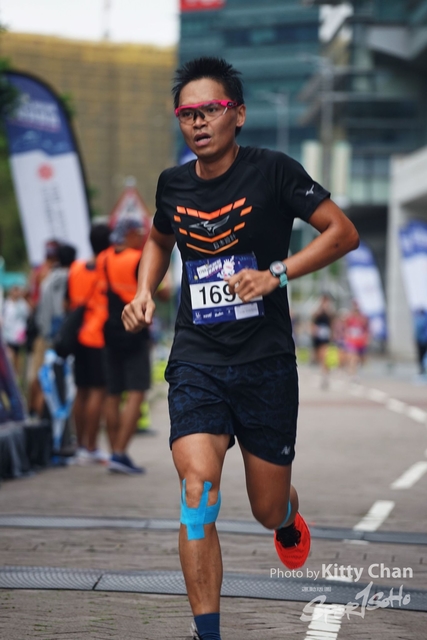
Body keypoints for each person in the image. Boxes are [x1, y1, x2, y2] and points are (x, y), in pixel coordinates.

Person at [122, 57, 359, 640]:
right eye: (188, 113)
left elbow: (342, 232)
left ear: (239, 114)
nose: (199, 122)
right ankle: (207, 632)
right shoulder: (173, 184)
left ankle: (287, 518)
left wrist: (277, 273)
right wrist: (143, 290)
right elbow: (159, 239)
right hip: (197, 358)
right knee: (197, 489)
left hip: (265, 362)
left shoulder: (274, 171)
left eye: (211, 109)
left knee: (265, 507)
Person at [100, 216, 151, 474]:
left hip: (109, 329)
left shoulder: (105, 258)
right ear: (129, 233)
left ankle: (113, 453)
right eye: (138, 232)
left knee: (113, 392)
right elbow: (159, 290)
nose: (141, 237)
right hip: (134, 327)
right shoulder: (138, 258)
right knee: (136, 391)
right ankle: (120, 452)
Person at [67, 223, 111, 463]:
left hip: (77, 335)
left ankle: (80, 444)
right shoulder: (106, 266)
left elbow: (68, 301)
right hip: (97, 335)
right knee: (97, 391)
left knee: (81, 390)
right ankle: (91, 446)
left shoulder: (76, 268)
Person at [1, 286, 30, 376]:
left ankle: (16, 376)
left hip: (19, 336)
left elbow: (27, 317)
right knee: (10, 357)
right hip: (7, 335)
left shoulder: (23, 305)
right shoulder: (6, 304)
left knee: (18, 358)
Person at [310, 293, 335, 387]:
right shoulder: (317, 311)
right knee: (319, 358)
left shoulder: (329, 312)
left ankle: (325, 375)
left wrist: (332, 335)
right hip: (318, 338)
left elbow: (332, 323)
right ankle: (324, 374)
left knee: (324, 356)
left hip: (325, 338)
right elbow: (313, 320)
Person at [343, 299, 370, 378]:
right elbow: (345, 328)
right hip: (352, 342)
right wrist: (346, 337)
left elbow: (366, 329)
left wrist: (367, 338)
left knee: (362, 360)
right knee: (353, 358)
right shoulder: (349, 318)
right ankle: (353, 375)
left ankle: (354, 370)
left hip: (361, 342)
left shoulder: (363, 318)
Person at [413, 308, 427, 376]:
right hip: (421, 340)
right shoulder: (419, 319)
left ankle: (422, 369)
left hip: (422, 340)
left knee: (421, 356)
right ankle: (422, 369)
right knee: (421, 356)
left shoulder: (419, 319)